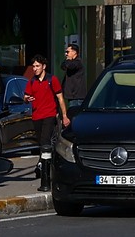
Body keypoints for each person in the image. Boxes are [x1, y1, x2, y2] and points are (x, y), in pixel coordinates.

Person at [23, 54, 68, 191]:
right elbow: (25, 96)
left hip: (49, 115)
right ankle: (45, 164)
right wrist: (27, 98)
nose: (35, 69)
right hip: (36, 116)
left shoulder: (51, 80)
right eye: (34, 66)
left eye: (37, 66)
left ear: (44, 66)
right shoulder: (32, 81)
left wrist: (64, 116)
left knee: (45, 142)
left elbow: (60, 98)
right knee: (41, 143)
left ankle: (45, 174)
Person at [61, 42, 88, 112]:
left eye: (68, 52)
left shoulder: (78, 62)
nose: (66, 54)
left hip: (77, 96)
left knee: (75, 114)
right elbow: (63, 66)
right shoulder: (69, 61)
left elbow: (71, 66)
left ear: (74, 52)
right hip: (72, 96)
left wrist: (68, 60)